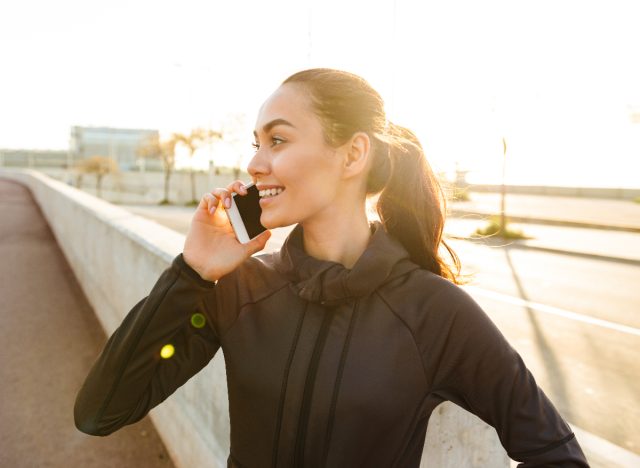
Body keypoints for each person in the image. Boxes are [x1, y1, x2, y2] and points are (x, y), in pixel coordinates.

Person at [74, 68, 589, 467]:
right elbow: (101, 412)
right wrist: (193, 273)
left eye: (278, 140)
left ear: (352, 155)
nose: (255, 164)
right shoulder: (241, 289)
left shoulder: (434, 313)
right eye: (256, 143)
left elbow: (556, 454)